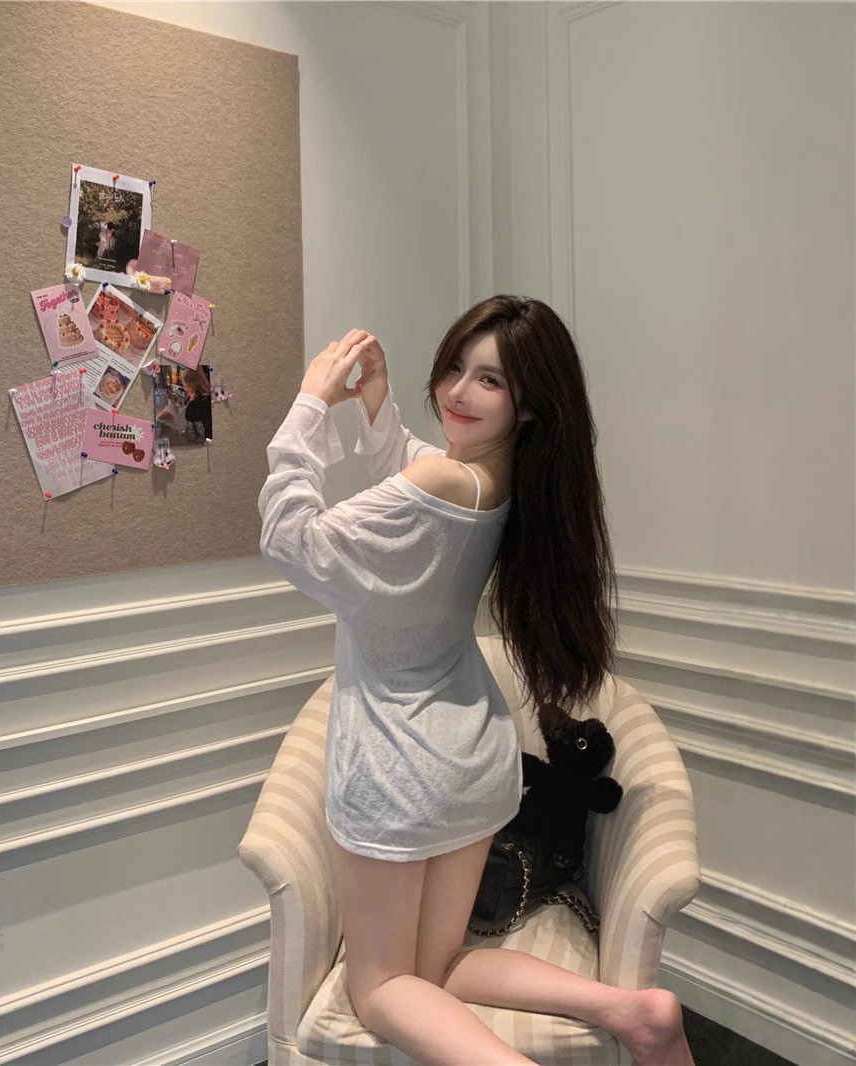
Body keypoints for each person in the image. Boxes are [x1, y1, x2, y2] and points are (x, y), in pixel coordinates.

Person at [257, 297, 695, 1066]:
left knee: (380, 986)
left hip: (398, 763)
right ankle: (631, 1009)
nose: (459, 390)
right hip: (470, 754)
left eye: (489, 380)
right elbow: (418, 487)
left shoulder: (441, 482)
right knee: (436, 969)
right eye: (456, 367)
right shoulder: (505, 480)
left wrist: (309, 406)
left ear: (528, 405)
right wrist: (378, 407)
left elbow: (290, 539)